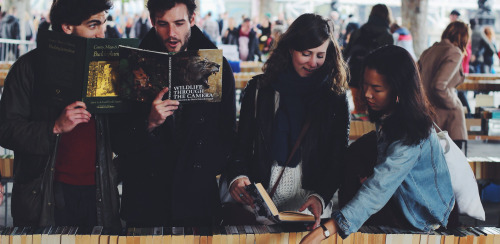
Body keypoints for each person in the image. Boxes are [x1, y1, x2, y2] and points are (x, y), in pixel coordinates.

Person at [301, 45, 454, 243]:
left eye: (377, 89)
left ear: (399, 90)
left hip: (420, 219)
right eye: (365, 85)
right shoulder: (392, 115)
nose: (367, 94)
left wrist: (323, 232)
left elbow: (378, 189)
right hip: (399, 204)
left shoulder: (411, 133)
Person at [111, 0, 236, 227]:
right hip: (146, 202)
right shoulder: (131, 66)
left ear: (193, 19)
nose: (172, 33)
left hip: (197, 200)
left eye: (179, 23)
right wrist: (149, 122)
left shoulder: (218, 67)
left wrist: (203, 168)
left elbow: (227, 134)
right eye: (162, 24)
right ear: (151, 22)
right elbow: (117, 141)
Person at [0, 0, 121, 231]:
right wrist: (54, 127)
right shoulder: (28, 68)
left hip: (98, 192)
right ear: (67, 27)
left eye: (103, 24)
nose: (101, 33)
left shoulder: (109, 67)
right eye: (93, 25)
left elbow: (120, 133)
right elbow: (5, 129)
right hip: (46, 191)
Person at [226, 13, 349, 229]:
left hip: (311, 211)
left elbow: (338, 159)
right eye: (306, 53)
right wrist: (238, 177)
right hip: (261, 208)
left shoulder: (334, 98)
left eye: (320, 55)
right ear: (291, 48)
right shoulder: (259, 90)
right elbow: (240, 147)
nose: (313, 62)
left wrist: (321, 197)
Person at [418, 21, 469, 148]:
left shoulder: (428, 51)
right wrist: (454, 104)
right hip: (448, 119)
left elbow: (417, 81)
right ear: (463, 37)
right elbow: (439, 85)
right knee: (453, 164)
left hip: (429, 117)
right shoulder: (454, 52)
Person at [343, 4, 393, 119]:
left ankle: (360, 134)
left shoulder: (359, 31)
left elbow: (346, 54)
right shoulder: (387, 35)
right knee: (376, 113)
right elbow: (389, 61)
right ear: (387, 16)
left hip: (355, 75)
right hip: (377, 80)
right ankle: (374, 134)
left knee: (360, 112)